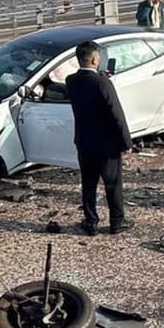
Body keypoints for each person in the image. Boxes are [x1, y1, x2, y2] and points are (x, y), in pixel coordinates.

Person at [66, 41, 134, 235]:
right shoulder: (103, 83)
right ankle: (117, 221)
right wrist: (126, 142)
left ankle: (90, 221)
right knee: (112, 184)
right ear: (95, 59)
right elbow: (116, 113)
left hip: (84, 142)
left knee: (88, 184)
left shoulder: (71, 82)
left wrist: (101, 77)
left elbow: (87, 87)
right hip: (107, 144)